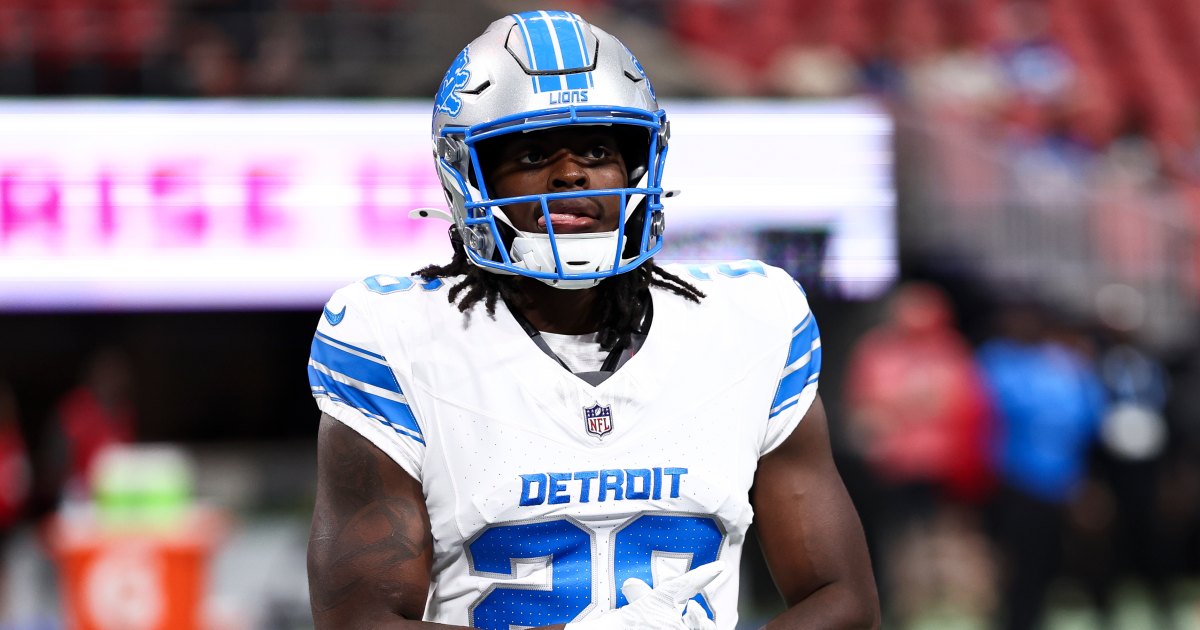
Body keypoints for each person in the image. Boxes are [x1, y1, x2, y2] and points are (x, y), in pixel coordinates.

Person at [306, 11, 878, 629]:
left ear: (637, 166)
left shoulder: (751, 321)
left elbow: (844, 600)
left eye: (597, 150)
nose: (571, 173)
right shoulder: (393, 336)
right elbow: (358, 622)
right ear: (469, 178)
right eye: (532, 153)